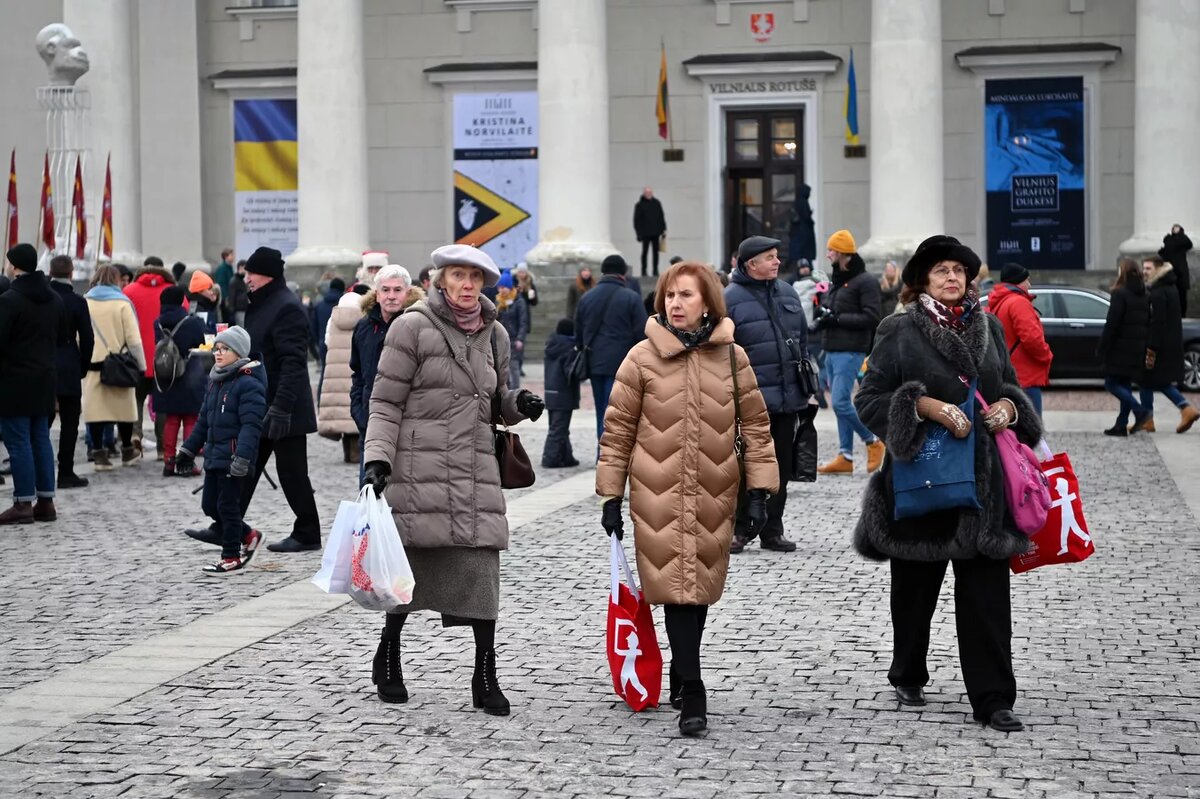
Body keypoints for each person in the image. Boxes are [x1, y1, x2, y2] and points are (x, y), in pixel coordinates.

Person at [852, 234, 1043, 733]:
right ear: (922, 281)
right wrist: (923, 407)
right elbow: (869, 399)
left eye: (959, 270)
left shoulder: (990, 326)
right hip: (925, 479)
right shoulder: (898, 330)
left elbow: (1008, 386)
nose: (953, 277)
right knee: (914, 593)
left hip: (985, 487)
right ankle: (908, 672)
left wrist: (1009, 409)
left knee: (987, 599)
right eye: (942, 270)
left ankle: (993, 697)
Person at [361, 243, 545, 716]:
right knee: (408, 575)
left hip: (474, 470)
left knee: (482, 575)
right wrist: (377, 459)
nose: (467, 285)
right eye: (459, 276)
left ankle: (485, 676)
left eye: (475, 278)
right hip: (418, 471)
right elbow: (385, 402)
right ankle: (389, 653)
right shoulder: (411, 327)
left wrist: (518, 404)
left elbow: (495, 400)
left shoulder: (495, 333)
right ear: (440, 280)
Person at [597, 260, 779, 736]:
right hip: (656, 492)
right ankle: (693, 690)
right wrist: (610, 495)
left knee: (698, 589)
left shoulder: (733, 357)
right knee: (678, 589)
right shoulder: (641, 357)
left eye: (687, 295)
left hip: (715, 490)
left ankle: (682, 668)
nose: (676, 304)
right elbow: (617, 431)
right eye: (670, 295)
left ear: (708, 303)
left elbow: (756, 426)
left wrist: (760, 491)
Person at [724, 236, 811, 553]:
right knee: (743, 468)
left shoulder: (788, 293)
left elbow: (802, 339)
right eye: (770, 257)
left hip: (786, 399)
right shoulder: (728, 299)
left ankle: (773, 530)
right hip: (748, 403)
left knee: (781, 467)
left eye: (777, 256)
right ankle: (739, 529)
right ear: (751, 264)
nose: (777, 262)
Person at [175, 326, 266, 575]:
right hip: (215, 457)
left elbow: (251, 426)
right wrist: (188, 450)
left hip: (235, 458)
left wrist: (242, 458)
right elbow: (204, 421)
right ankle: (249, 535)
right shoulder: (216, 382)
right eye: (216, 348)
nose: (218, 353)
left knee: (227, 507)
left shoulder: (249, 384)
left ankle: (231, 556)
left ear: (239, 353)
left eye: (225, 349)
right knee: (210, 506)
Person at [0, 243, 68, 524]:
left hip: (13, 381)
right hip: (45, 378)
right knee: (40, 438)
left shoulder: (9, 300)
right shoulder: (55, 299)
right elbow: (63, 338)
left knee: (18, 442)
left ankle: (23, 502)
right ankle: (46, 501)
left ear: (15, 266)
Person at [814, 229, 884, 474]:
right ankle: (845, 456)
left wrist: (837, 319)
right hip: (832, 348)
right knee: (839, 404)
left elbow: (872, 317)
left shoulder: (865, 281)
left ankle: (872, 441)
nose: (828, 254)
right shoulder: (838, 279)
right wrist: (823, 314)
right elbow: (834, 309)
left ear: (843, 253)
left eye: (831, 250)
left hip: (851, 349)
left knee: (841, 402)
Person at [349, 265, 423, 483]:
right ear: (377, 294)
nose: (391, 296)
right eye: (386, 290)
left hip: (411, 428)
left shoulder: (420, 326)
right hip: (371, 425)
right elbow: (357, 374)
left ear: (408, 292)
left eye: (397, 290)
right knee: (370, 491)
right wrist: (359, 412)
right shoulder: (363, 327)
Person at [574, 254, 647, 449]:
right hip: (623, 363)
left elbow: (578, 332)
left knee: (601, 410)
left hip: (595, 362)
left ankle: (602, 452)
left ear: (602, 272)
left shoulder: (586, 297)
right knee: (618, 412)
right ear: (623, 273)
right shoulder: (631, 297)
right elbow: (642, 333)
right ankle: (611, 454)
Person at [84, 264, 146, 471]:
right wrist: (141, 366)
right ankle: (127, 449)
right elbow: (134, 340)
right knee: (124, 411)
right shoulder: (122, 303)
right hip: (120, 365)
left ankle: (99, 454)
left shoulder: (86, 302)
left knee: (95, 412)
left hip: (93, 365)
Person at [1134, 257, 1200, 434]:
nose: (1144, 272)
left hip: (1160, 345)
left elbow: (1158, 322)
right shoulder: (1169, 287)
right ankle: (1150, 419)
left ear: (1158, 269)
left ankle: (1185, 408)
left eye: (1148, 268)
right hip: (1169, 343)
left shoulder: (1158, 292)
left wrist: (1151, 348)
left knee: (1151, 380)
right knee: (1150, 381)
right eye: (1143, 268)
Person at [124, 256, 178, 460]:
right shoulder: (173, 291)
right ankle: (162, 447)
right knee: (162, 403)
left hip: (136, 357)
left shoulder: (128, 291)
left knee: (136, 398)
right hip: (164, 359)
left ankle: (135, 434)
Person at [47, 254, 93, 489]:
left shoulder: (43, 298)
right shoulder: (76, 301)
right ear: (71, 273)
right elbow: (87, 339)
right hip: (68, 364)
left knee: (41, 423)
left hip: (43, 363)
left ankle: (38, 471)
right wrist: (82, 367)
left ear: (50, 272)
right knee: (69, 423)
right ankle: (65, 471)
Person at [986, 262, 1053, 417]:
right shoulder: (1018, 302)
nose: (1029, 284)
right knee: (1032, 425)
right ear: (1018, 281)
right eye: (1027, 280)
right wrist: (1047, 355)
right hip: (1024, 375)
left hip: (1010, 373)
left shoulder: (1000, 302)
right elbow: (1032, 339)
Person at [153, 286, 207, 475]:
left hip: (166, 376)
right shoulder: (192, 322)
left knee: (171, 419)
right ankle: (186, 462)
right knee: (190, 418)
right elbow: (205, 341)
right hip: (189, 375)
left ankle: (168, 462)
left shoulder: (158, 323)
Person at [1098, 259, 1152, 436]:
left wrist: (1102, 347)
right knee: (1124, 385)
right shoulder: (1145, 294)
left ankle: (1140, 411)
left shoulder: (1120, 293)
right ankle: (1121, 425)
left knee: (1111, 384)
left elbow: (1112, 323)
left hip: (1119, 349)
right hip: (1136, 348)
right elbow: (1148, 322)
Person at [541, 318, 580, 468]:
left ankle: (566, 456)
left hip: (551, 392)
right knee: (558, 428)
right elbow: (571, 372)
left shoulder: (552, 345)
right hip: (564, 393)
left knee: (559, 426)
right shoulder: (568, 349)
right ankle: (550, 458)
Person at [495, 270, 529, 389]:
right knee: (502, 367)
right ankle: (506, 390)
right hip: (501, 339)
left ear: (509, 287)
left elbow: (523, 322)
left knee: (514, 367)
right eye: (499, 287)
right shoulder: (498, 301)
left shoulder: (519, 302)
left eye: (503, 287)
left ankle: (515, 392)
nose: (501, 290)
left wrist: (520, 338)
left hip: (514, 339)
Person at [1158, 224, 1192, 316]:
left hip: (1180, 273)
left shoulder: (1182, 241)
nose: (1175, 229)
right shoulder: (1169, 240)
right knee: (1171, 296)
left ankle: (1181, 315)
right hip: (1171, 272)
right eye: (1174, 228)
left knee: (1181, 296)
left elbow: (1189, 244)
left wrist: (1179, 233)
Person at [633, 187, 667, 277]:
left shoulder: (657, 203)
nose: (648, 194)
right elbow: (636, 221)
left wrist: (663, 229)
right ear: (644, 193)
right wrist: (638, 234)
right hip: (645, 233)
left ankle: (655, 270)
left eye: (650, 192)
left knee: (656, 252)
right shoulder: (639, 205)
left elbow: (661, 217)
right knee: (645, 252)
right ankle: (643, 270)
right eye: (647, 192)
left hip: (656, 232)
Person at [312, 277, 345, 369]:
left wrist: (319, 341)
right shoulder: (344, 305)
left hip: (323, 343)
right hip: (342, 346)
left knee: (325, 371)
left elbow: (313, 328)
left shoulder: (319, 305)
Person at [787, 183, 816, 269]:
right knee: (806, 256)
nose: (809, 194)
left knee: (798, 256)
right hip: (804, 234)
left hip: (798, 234)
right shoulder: (803, 202)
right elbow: (806, 217)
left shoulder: (797, 202)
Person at [214, 248, 235, 321]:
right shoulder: (222, 268)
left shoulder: (229, 267)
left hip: (229, 297)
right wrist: (226, 297)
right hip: (225, 298)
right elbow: (222, 284)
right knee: (226, 318)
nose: (233, 257)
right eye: (231, 255)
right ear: (226, 256)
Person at [228, 259, 249, 326]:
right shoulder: (234, 281)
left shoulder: (245, 279)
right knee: (242, 327)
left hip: (246, 308)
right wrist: (231, 311)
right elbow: (231, 297)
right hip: (239, 309)